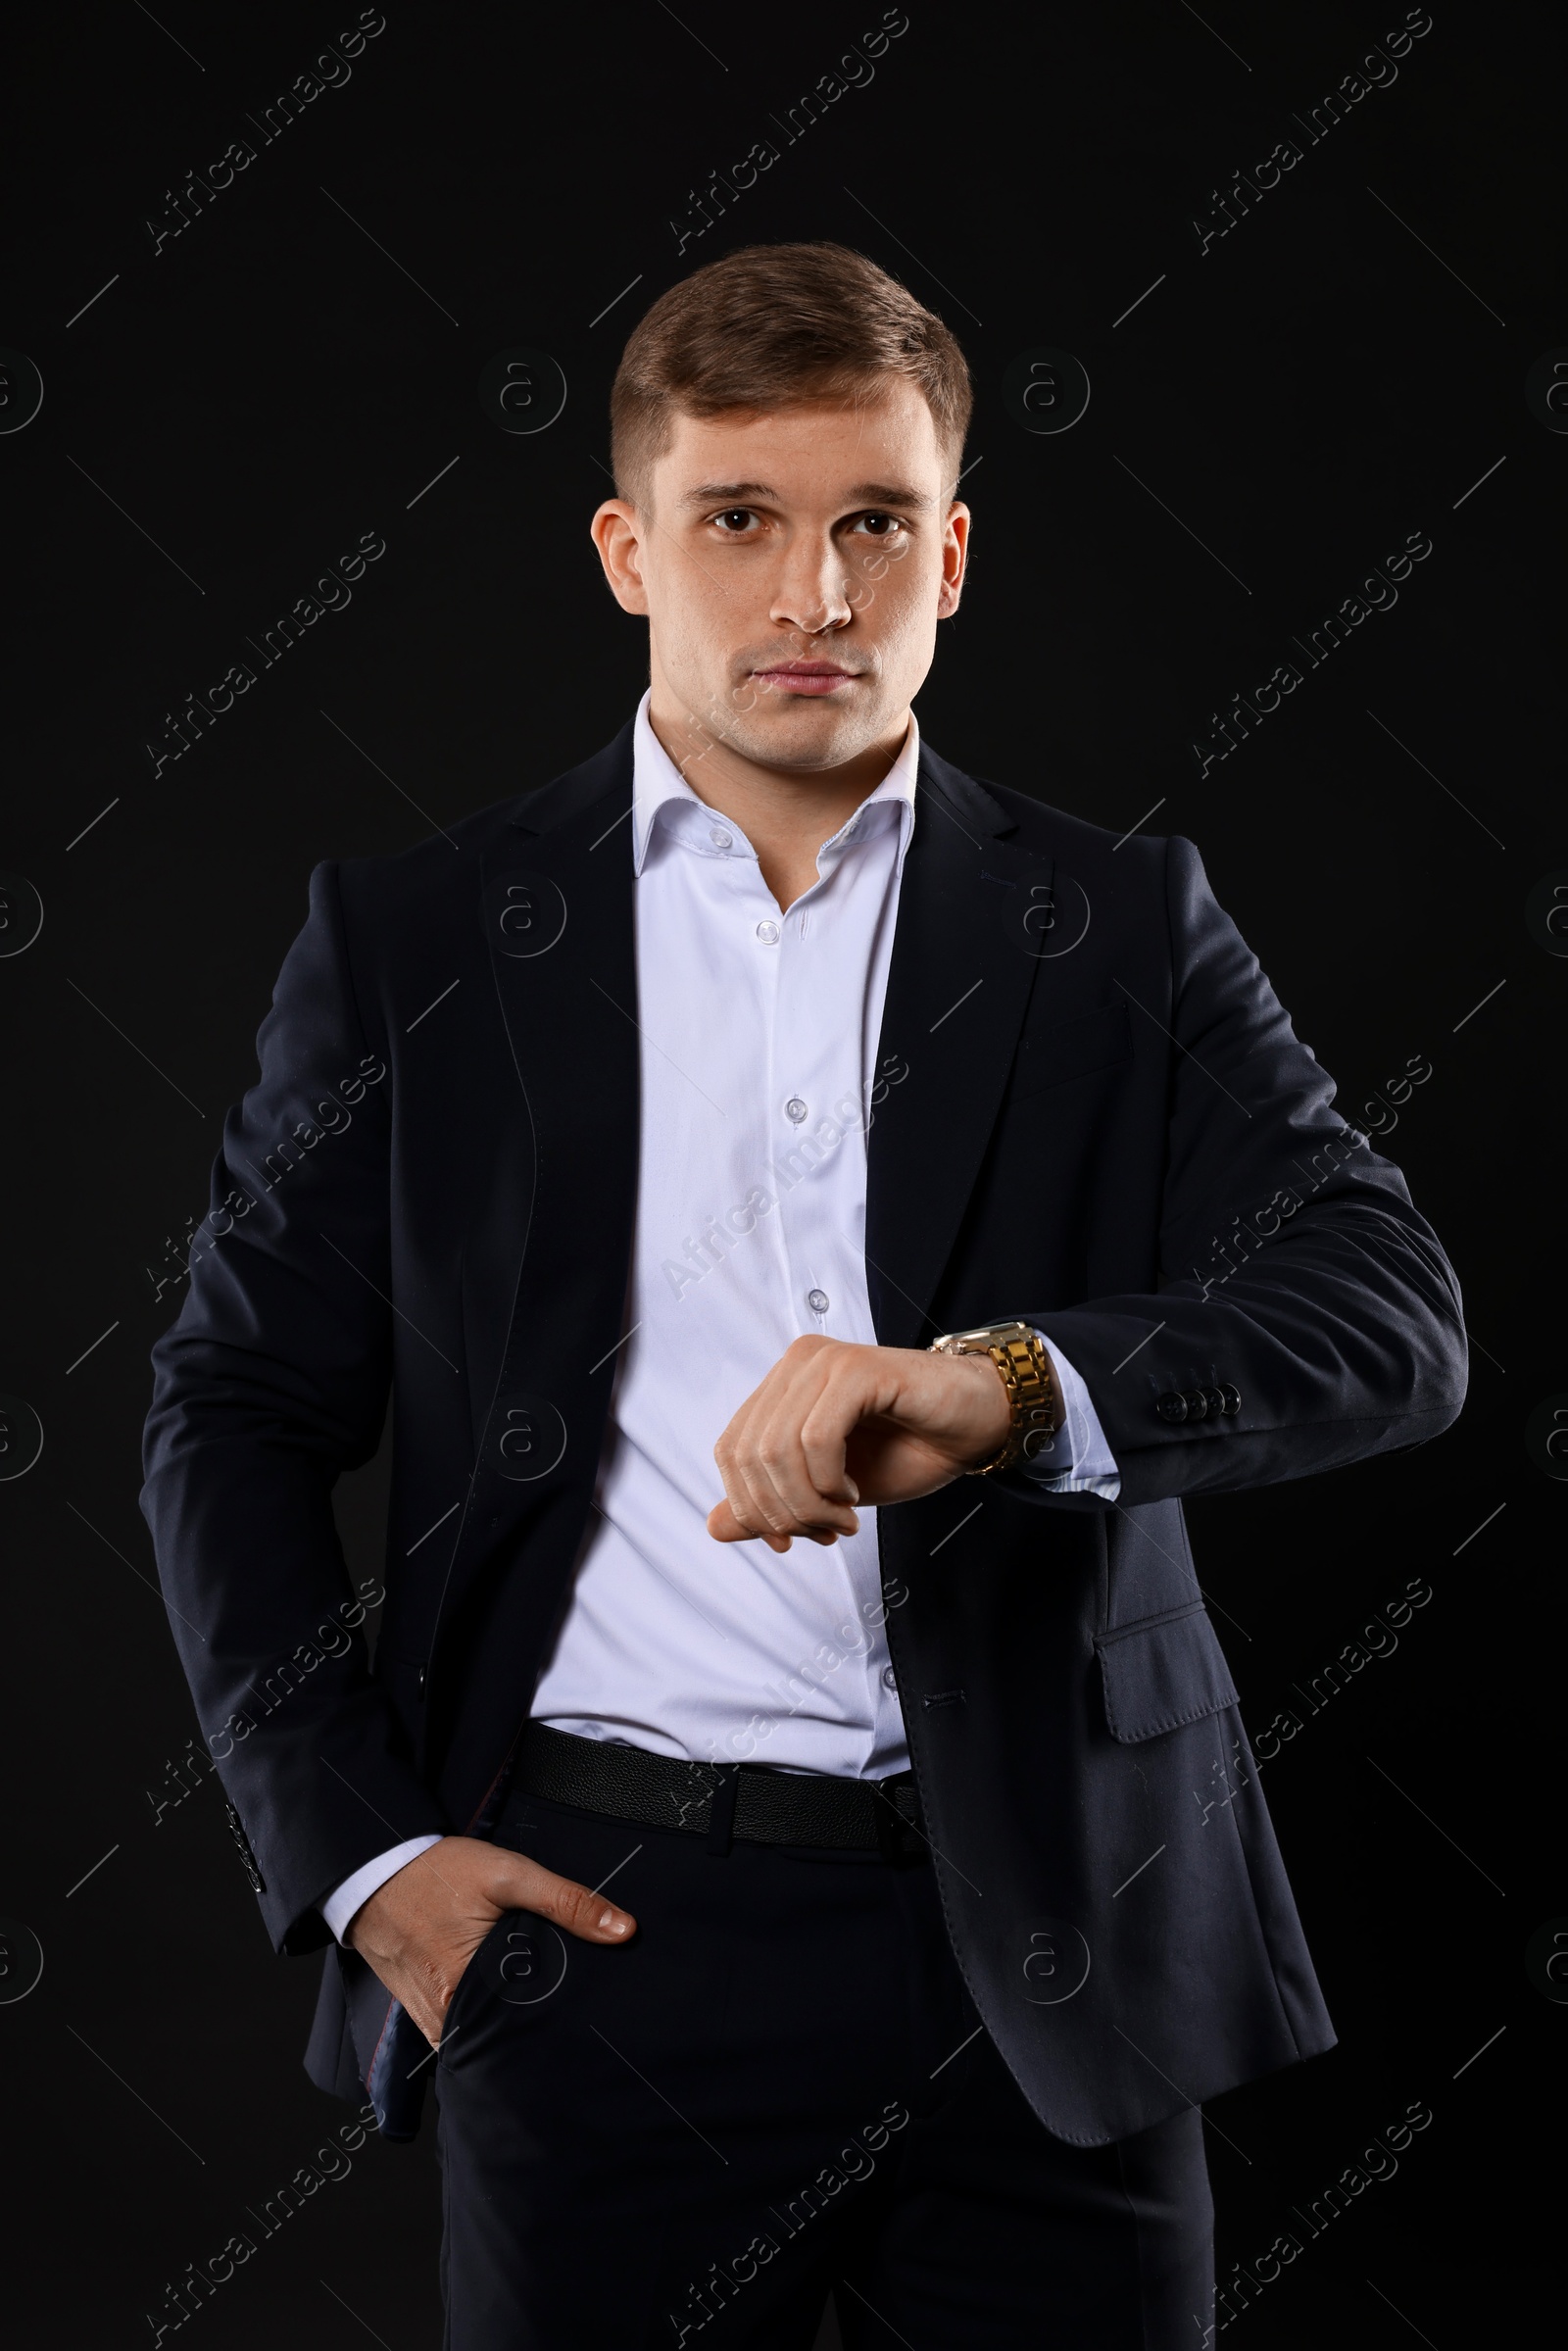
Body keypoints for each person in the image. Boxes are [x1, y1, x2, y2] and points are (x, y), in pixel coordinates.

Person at [141, 241, 1466, 2347]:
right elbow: (227, 1411)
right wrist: (368, 1861)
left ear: (951, 552)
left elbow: (1388, 1313)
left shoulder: (1117, 926)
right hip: (593, 1945)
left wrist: (1007, 1392)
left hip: (1049, 1938)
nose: (813, 596)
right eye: (736, 522)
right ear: (621, 549)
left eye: (869, 526)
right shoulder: (413, 947)